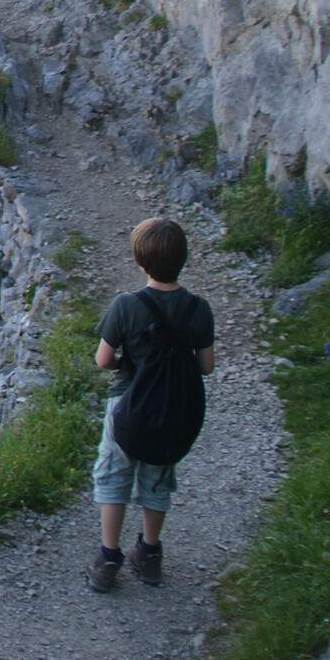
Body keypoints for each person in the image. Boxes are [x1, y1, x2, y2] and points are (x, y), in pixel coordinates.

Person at [86, 216, 215, 591]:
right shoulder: (199, 309)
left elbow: (103, 360)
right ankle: (150, 552)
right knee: (157, 478)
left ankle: (109, 558)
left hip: (127, 404)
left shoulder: (126, 306)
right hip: (174, 410)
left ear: (140, 263)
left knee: (113, 475)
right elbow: (206, 366)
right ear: (184, 259)